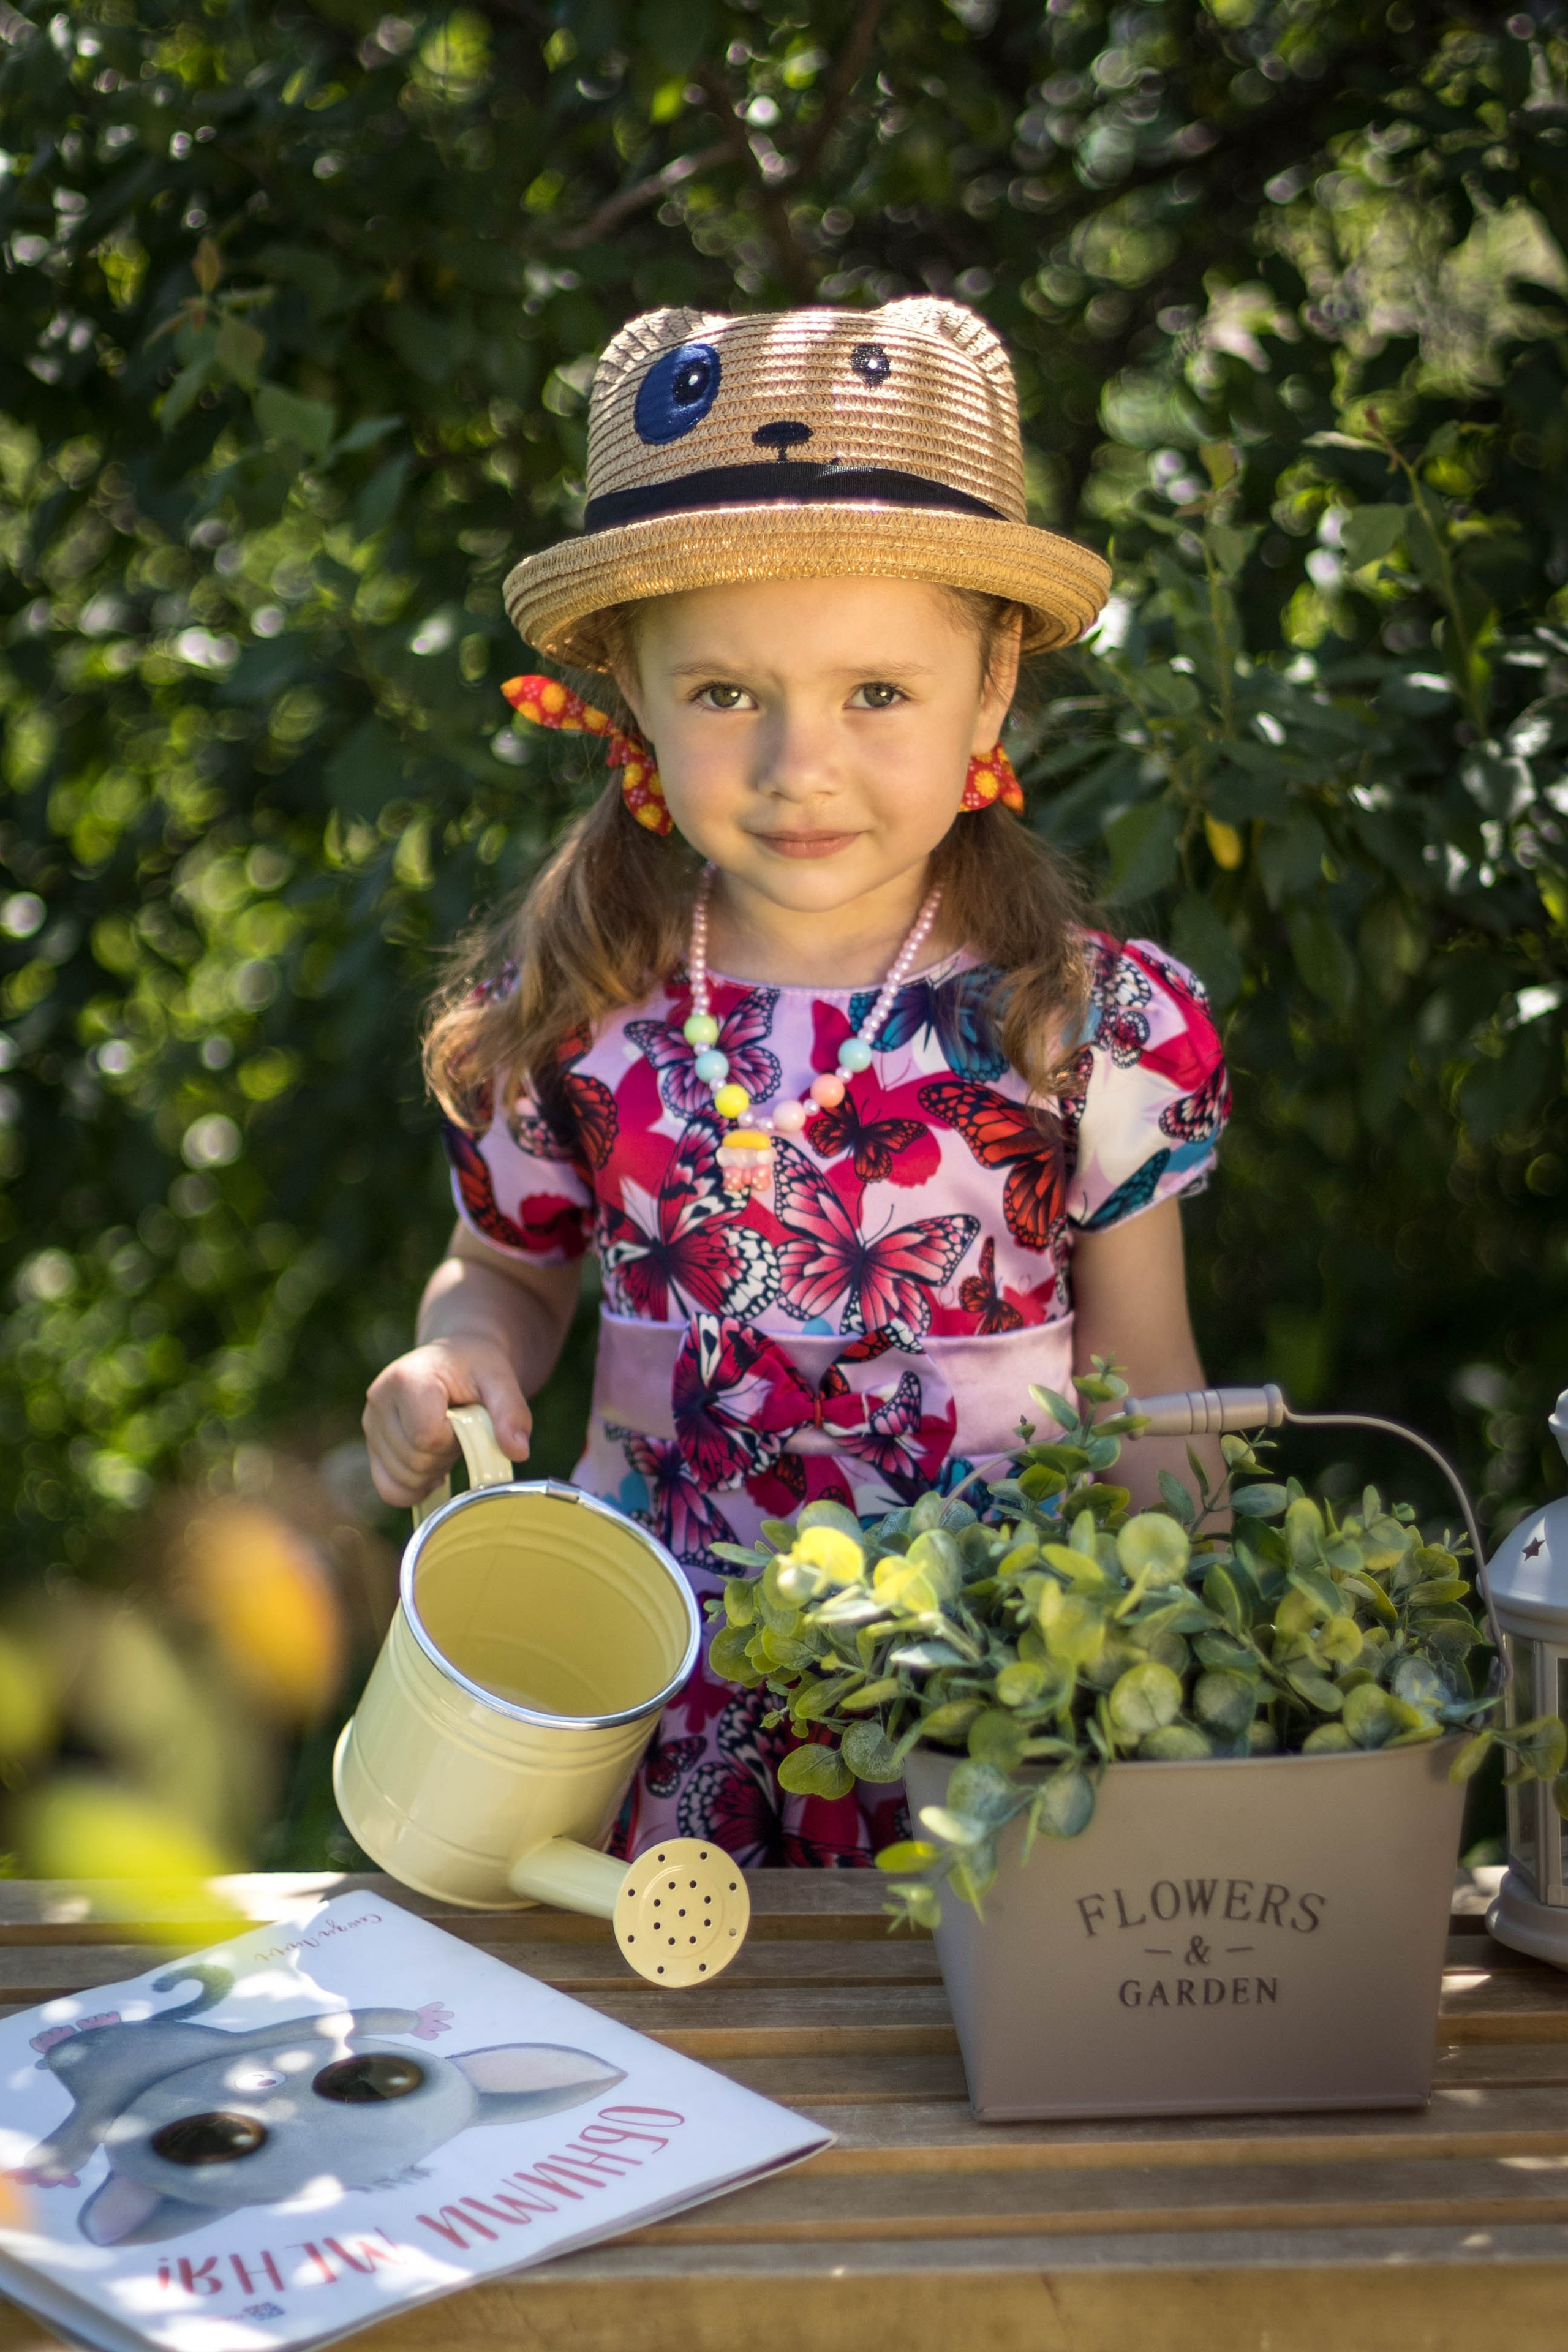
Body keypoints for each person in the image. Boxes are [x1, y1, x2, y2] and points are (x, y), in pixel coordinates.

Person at [363, 298, 1231, 1868]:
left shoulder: (1080, 1023)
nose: (798, 764)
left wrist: (1182, 1670)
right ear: (631, 694)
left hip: (991, 1689)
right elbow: (505, 1271)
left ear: (991, 692)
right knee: (680, 2072)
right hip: (656, 1684)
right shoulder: (572, 1020)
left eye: (875, 694)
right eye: (723, 696)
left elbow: (1149, 1380)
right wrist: (458, 1357)